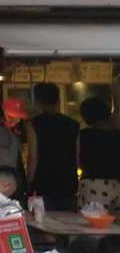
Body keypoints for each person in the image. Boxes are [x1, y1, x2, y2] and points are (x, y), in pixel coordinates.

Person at [29, 82, 80, 210]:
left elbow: (33, 157)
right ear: (58, 99)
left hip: (44, 180)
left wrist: (29, 181)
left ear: (38, 101)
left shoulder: (34, 124)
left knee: (43, 219)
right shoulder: (73, 124)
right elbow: (77, 157)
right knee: (68, 220)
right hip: (68, 181)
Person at [78, 97, 120, 212]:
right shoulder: (117, 135)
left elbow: (78, 161)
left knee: (92, 220)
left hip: (92, 184)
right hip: (116, 183)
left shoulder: (84, 135)